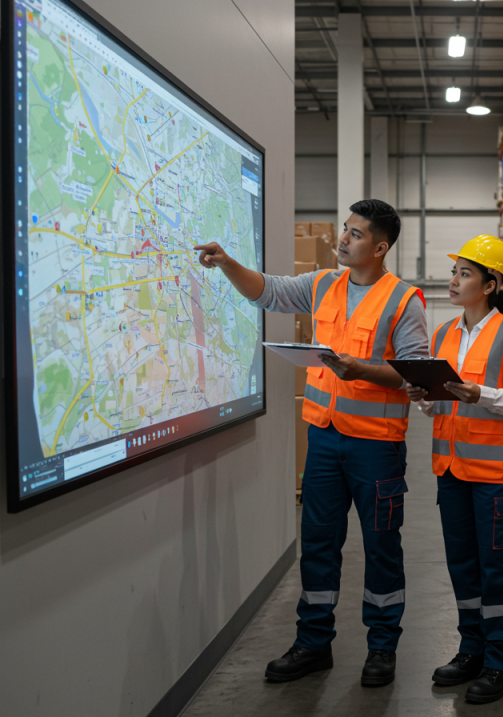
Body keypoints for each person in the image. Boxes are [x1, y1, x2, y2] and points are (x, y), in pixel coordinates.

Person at [194, 199, 428, 688]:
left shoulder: (404, 300)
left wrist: (360, 369)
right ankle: (313, 643)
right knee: (319, 545)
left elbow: (413, 373)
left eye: (356, 234)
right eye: (344, 229)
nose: (343, 239)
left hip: (376, 447)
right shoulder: (324, 284)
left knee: (382, 548)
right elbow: (269, 292)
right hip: (324, 440)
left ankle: (382, 649)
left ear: (380, 247)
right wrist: (228, 263)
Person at [406, 235, 503, 705]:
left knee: (495, 568)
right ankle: (471, 649)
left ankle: (500, 661)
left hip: (496, 479)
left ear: (490, 283)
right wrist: (424, 397)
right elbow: (439, 408)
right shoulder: (443, 336)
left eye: (464, 273)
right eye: (455, 271)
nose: (453, 280)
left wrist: (479, 394)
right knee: (462, 566)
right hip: (451, 470)